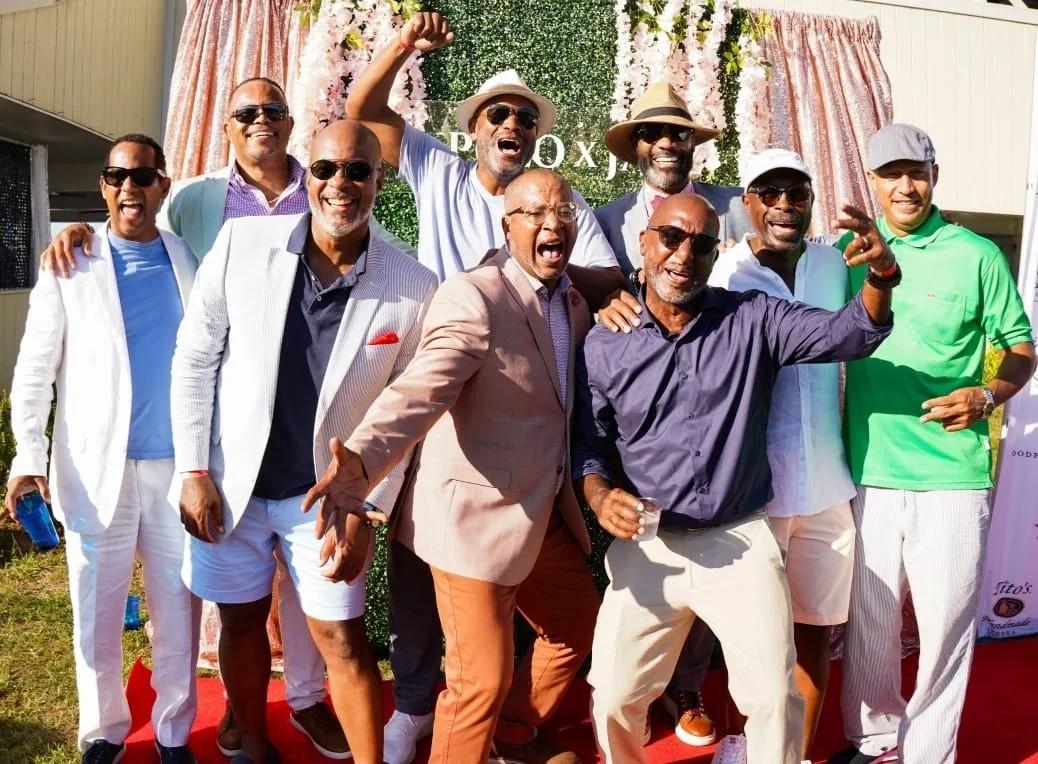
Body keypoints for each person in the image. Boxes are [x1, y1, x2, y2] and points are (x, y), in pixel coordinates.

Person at [40, 77, 399, 760]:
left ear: (291, 124)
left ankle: (304, 698)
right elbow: (142, 244)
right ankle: (242, 717)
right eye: (245, 113)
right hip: (228, 423)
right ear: (227, 128)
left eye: (271, 110)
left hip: (312, 418)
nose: (260, 121)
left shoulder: (335, 184)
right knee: (238, 600)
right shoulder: (200, 200)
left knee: (308, 592)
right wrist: (83, 230)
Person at [345, 13, 622, 762]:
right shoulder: (439, 172)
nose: (512, 122)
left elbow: (604, 276)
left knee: (565, 630)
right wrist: (402, 44)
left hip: (531, 470)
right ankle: (418, 711)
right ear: (476, 129)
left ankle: (503, 732)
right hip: (444, 422)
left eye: (525, 117)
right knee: (423, 591)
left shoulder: (559, 239)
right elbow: (363, 114)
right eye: (499, 113)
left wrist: (579, 281)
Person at [575, 192, 901, 764]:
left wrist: (881, 275)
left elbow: (852, 333)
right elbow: (591, 446)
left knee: (775, 696)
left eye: (701, 244)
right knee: (613, 699)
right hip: (649, 545)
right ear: (644, 244)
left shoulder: (751, 317)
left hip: (742, 539)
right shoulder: (606, 343)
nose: (684, 254)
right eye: (671, 237)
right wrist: (600, 496)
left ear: (714, 254)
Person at [303, 169, 601, 764]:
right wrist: (361, 461)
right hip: (472, 524)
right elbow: (422, 388)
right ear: (507, 225)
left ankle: (513, 734)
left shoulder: (571, 299)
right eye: (535, 212)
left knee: (577, 623)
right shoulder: (475, 294)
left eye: (564, 212)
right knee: (477, 684)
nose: (552, 223)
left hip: (540, 515)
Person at [170, 119, 438, 764]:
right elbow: (194, 357)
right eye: (324, 169)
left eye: (356, 171)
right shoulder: (240, 243)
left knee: (341, 639)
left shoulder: (414, 285)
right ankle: (255, 745)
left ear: (380, 179)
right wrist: (194, 470)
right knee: (238, 620)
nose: (339, 184)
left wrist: (367, 508)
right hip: (232, 482)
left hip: (328, 500)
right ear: (305, 173)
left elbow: (406, 415)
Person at [830, 124, 1035, 764]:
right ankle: (873, 740)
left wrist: (986, 395)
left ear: (934, 177)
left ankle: (928, 754)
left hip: (953, 474)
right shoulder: (848, 251)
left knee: (946, 628)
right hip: (869, 469)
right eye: (891, 174)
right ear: (873, 182)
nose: (905, 186)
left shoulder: (978, 255)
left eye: (915, 172)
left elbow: (1023, 348)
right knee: (868, 626)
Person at [5, 135, 200, 764]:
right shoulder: (69, 265)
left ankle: (173, 731)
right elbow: (34, 373)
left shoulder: (189, 258)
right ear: (102, 185)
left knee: (177, 610)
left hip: (175, 469)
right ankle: (104, 732)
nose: (129, 190)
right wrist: (27, 459)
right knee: (96, 608)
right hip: (96, 469)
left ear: (162, 186)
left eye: (142, 177)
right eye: (117, 178)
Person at [595, 80, 754, 750]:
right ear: (637, 147)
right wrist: (608, 301)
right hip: (643, 408)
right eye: (655, 134)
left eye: (680, 133)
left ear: (694, 144)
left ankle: (689, 685)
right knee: (644, 564)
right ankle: (636, 691)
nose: (668, 143)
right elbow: (602, 294)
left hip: (721, 407)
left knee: (717, 552)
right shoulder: (606, 219)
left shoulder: (732, 210)